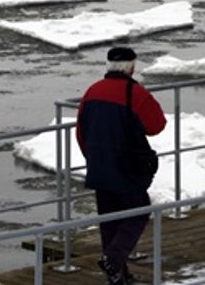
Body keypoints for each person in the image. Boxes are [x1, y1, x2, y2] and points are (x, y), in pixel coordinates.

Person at [77, 46, 166, 285]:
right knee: (138, 212)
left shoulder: (92, 91)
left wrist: (93, 158)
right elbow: (157, 125)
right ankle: (114, 260)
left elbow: (80, 131)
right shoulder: (135, 93)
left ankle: (118, 278)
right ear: (132, 67)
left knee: (110, 221)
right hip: (127, 169)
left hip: (99, 167)